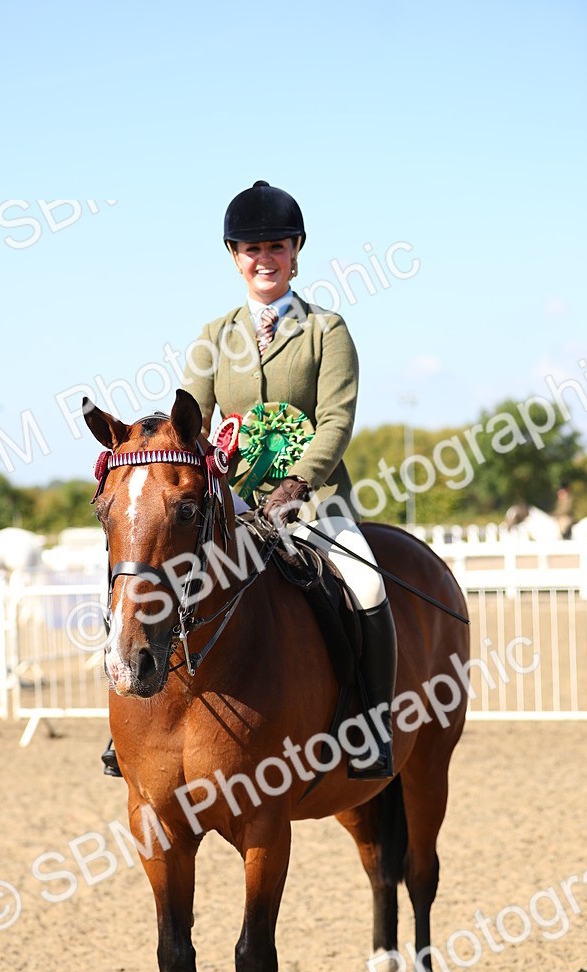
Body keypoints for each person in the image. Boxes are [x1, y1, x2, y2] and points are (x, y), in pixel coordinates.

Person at [102, 181, 395, 780]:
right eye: (251, 248)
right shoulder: (214, 337)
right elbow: (193, 430)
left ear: (296, 251)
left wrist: (297, 484)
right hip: (228, 505)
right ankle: (131, 725)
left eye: (277, 246)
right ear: (235, 257)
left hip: (314, 505)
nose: (265, 258)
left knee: (365, 585)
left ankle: (368, 721)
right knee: (148, 576)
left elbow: (337, 420)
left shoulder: (326, 331)